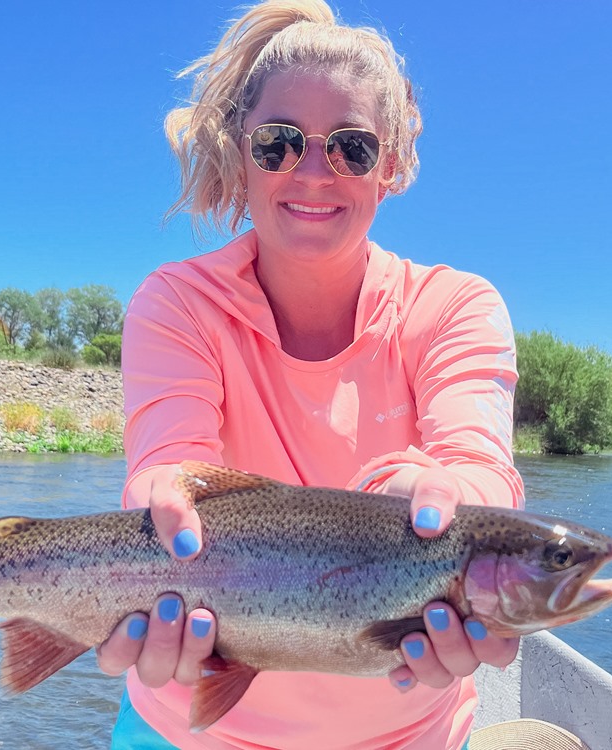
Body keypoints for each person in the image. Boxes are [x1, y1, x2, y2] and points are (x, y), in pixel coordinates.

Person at [96, 1, 525, 747]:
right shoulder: (175, 303)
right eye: (280, 143)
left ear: (391, 165)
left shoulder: (456, 306)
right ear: (241, 151)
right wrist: (161, 492)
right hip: (187, 727)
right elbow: (168, 466)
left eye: (352, 147)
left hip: (408, 735)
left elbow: (479, 466)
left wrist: (456, 507)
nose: (315, 171)